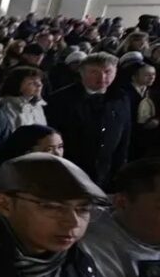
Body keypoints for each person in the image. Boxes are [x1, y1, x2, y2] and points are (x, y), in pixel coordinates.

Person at [47, 52, 131, 188]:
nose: (102, 77)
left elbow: (124, 135)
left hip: (107, 172)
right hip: (71, 170)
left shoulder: (121, 98)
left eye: (108, 71)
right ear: (81, 73)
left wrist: (119, 169)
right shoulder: (61, 99)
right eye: (94, 72)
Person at [0, 124, 65, 194]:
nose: (57, 153)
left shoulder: (61, 176)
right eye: (49, 149)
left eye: (60, 147)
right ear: (28, 152)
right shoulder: (5, 181)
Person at [122, 60, 159, 158]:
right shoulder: (124, 94)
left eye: (153, 74)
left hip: (149, 137)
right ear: (134, 76)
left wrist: (157, 120)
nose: (152, 77)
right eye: (147, 75)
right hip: (131, 136)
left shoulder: (153, 93)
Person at [0, 66, 49, 132]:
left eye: (39, 81)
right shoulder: (7, 106)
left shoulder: (37, 106)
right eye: (32, 82)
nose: (39, 85)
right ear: (17, 85)